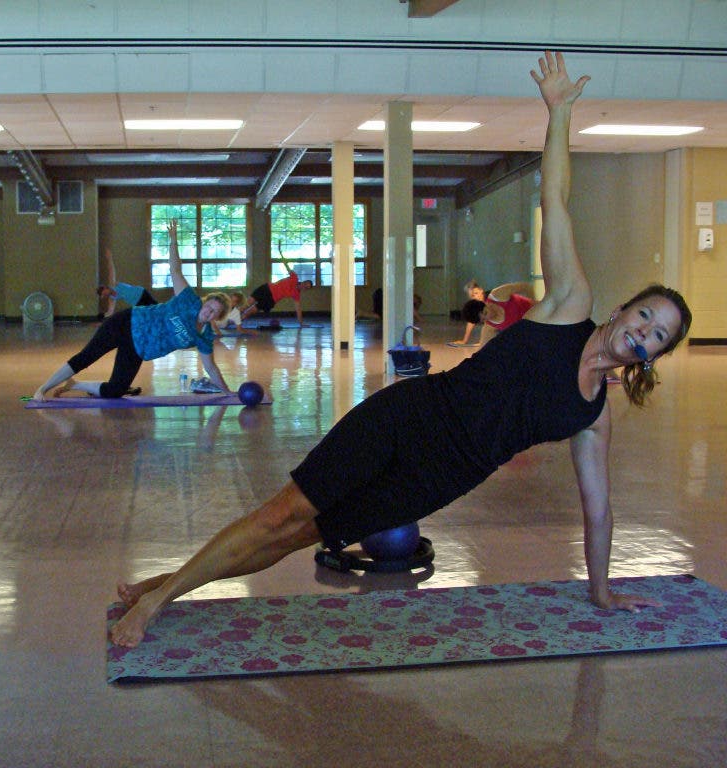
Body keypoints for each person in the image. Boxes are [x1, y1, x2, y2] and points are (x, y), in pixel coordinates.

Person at [109, 52, 692, 648]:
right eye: (645, 315)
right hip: (410, 418)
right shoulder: (568, 304)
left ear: (653, 356)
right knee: (281, 514)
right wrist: (560, 112)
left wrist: (602, 591)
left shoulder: (591, 415)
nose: (644, 331)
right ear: (623, 309)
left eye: (658, 335)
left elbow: (599, 510)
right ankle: (157, 600)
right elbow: (558, 200)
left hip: (438, 478)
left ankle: (165, 583)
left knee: (300, 536)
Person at [32, 221, 234, 399]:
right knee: (86, 357)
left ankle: (75, 385)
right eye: (209, 306)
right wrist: (173, 240)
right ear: (204, 302)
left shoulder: (205, 336)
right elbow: (175, 269)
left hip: (138, 349)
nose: (208, 312)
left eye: (214, 312)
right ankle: (43, 388)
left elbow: (210, 367)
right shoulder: (189, 301)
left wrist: (227, 392)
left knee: (116, 390)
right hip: (126, 323)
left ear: (217, 317)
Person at [240, 242, 314, 325]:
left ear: (305, 289)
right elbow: (286, 265)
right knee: (246, 305)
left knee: (249, 312)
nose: (304, 286)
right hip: (266, 289)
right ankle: (229, 318)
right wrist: (280, 252)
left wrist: (301, 323)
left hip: (271, 300)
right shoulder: (294, 278)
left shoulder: (296, 294)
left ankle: (234, 323)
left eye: (307, 287)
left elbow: (298, 309)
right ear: (304, 281)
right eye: (306, 283)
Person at [97, 246, 158, 318]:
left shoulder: (112, 284)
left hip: (141, 293)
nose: (106, 295)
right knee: (149, 313)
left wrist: (109, 258)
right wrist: (102, 315)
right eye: (104, 295)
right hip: (136, 302)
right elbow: (110, 311)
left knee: (155, 306)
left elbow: (111, 270)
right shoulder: (112, 298)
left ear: (105, 288)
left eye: (104, 293)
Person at [451, 280, 490, 346]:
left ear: (481, 290)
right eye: (472, 296)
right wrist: (464, 340)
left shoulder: (490, 298)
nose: (475, 297)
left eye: (476, 293)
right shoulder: (476, 304)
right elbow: (471, 321)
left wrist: (483, 340)